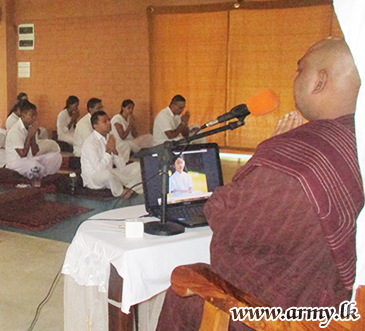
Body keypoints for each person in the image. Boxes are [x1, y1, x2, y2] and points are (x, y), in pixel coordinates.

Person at [157, 38, 364, 330]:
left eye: (300, 70)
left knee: (183, 290)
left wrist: (270, 149)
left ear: (320, 81)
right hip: (333, 301)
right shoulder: (354, 138)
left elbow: (227, 219)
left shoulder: (297, 155)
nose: (294, 77)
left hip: (279, 312)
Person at [80, 111, 140, 198]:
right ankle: (121, 192)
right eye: (105, 121)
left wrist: (115, 151)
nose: (109, 123)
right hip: (94, 177)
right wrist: (108, 151)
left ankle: (130, 186)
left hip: (111, 173)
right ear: (95, 126)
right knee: (108, 174)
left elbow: (122, 166)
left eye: (109, 120)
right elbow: (98, 168)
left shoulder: (109, 137)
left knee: (137, 167)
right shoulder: (90, 143)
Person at [5, 101, 62, 177]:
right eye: (31, 115)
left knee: (57, 157)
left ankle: (40, 175)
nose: (34, 118)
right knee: (35, 165)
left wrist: (33, 135)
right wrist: (29, 136)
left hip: (30, 159)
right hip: (16, 163)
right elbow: (22, 155)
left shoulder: (31, 127)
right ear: (23, 115)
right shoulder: (15, 131)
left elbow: (35, 151)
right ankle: (40, 175)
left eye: (35, 115)